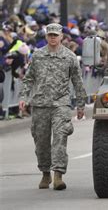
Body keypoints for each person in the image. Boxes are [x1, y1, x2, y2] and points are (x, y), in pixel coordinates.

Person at [19, 23, 87, 190]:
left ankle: (58, 175)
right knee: (41, 142)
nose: (53, 38)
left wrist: (80, 105)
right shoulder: (38, 56)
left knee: (59, 138)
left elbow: (77, 82)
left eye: (56, 35)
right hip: (40, 104)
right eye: (50, 35)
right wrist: (23, 97)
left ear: (61, 37)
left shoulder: (70, 57)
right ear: (46, 37)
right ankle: (45, 174)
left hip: (61, 104)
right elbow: (29, 79)